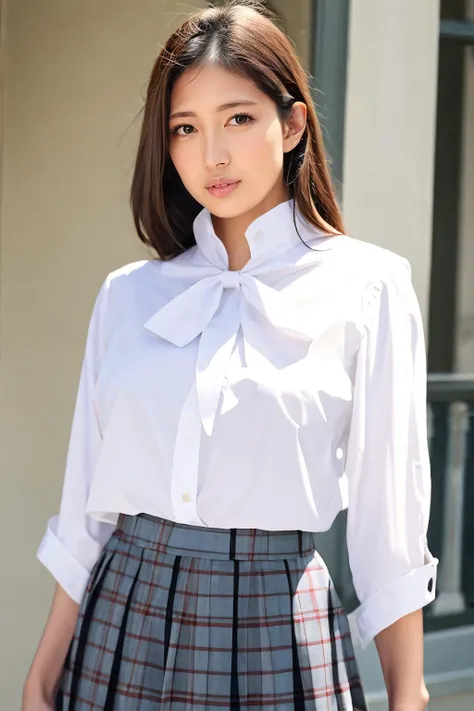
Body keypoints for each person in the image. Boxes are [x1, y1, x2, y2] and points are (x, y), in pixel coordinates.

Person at [22, 1, 438, 709]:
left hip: (280, 630)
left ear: (295, 123)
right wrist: (39, 676)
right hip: (122, 621)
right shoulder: (129, 296)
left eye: (238, 118)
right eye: (185, 128)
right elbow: (86, 509)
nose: (212, 154)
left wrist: (409, 695)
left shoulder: (369, 286)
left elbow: (388, 529)